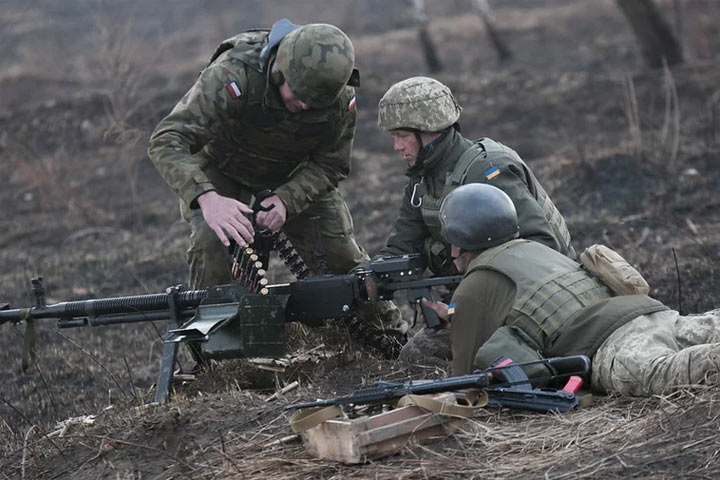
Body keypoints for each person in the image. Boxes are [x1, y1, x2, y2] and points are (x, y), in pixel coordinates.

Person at [148, 19, 407, 349]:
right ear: (280, 72)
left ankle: (389, 341)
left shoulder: (340, 99)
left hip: (294, 175)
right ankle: (215, 357)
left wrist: (287, 200)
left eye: (315, 104)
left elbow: (331, 164)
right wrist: (208, 198)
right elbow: (166, 140)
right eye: (299, 97)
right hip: (221, 171)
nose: (304, 107)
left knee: (341, 257)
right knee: (213, 248)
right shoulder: (234, 74)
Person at [422, 183, 720, 396]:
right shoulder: (534, 248)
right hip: (647, 313)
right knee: (710, 325)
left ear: (459, 241)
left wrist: (455, 325)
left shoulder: (473, 285)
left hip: (606, 345)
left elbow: (464, 384)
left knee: (675, 372)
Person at [375, 76, 574, 363]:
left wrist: (461, 309)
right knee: (416, 355)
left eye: (402, 136)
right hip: (480, 296)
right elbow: (402, 245)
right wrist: (371, 276)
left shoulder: (486, 170)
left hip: (535, 296)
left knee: (427, 358)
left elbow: (541, 247)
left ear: (428, 130)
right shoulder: (423, 180)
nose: (396, 146)